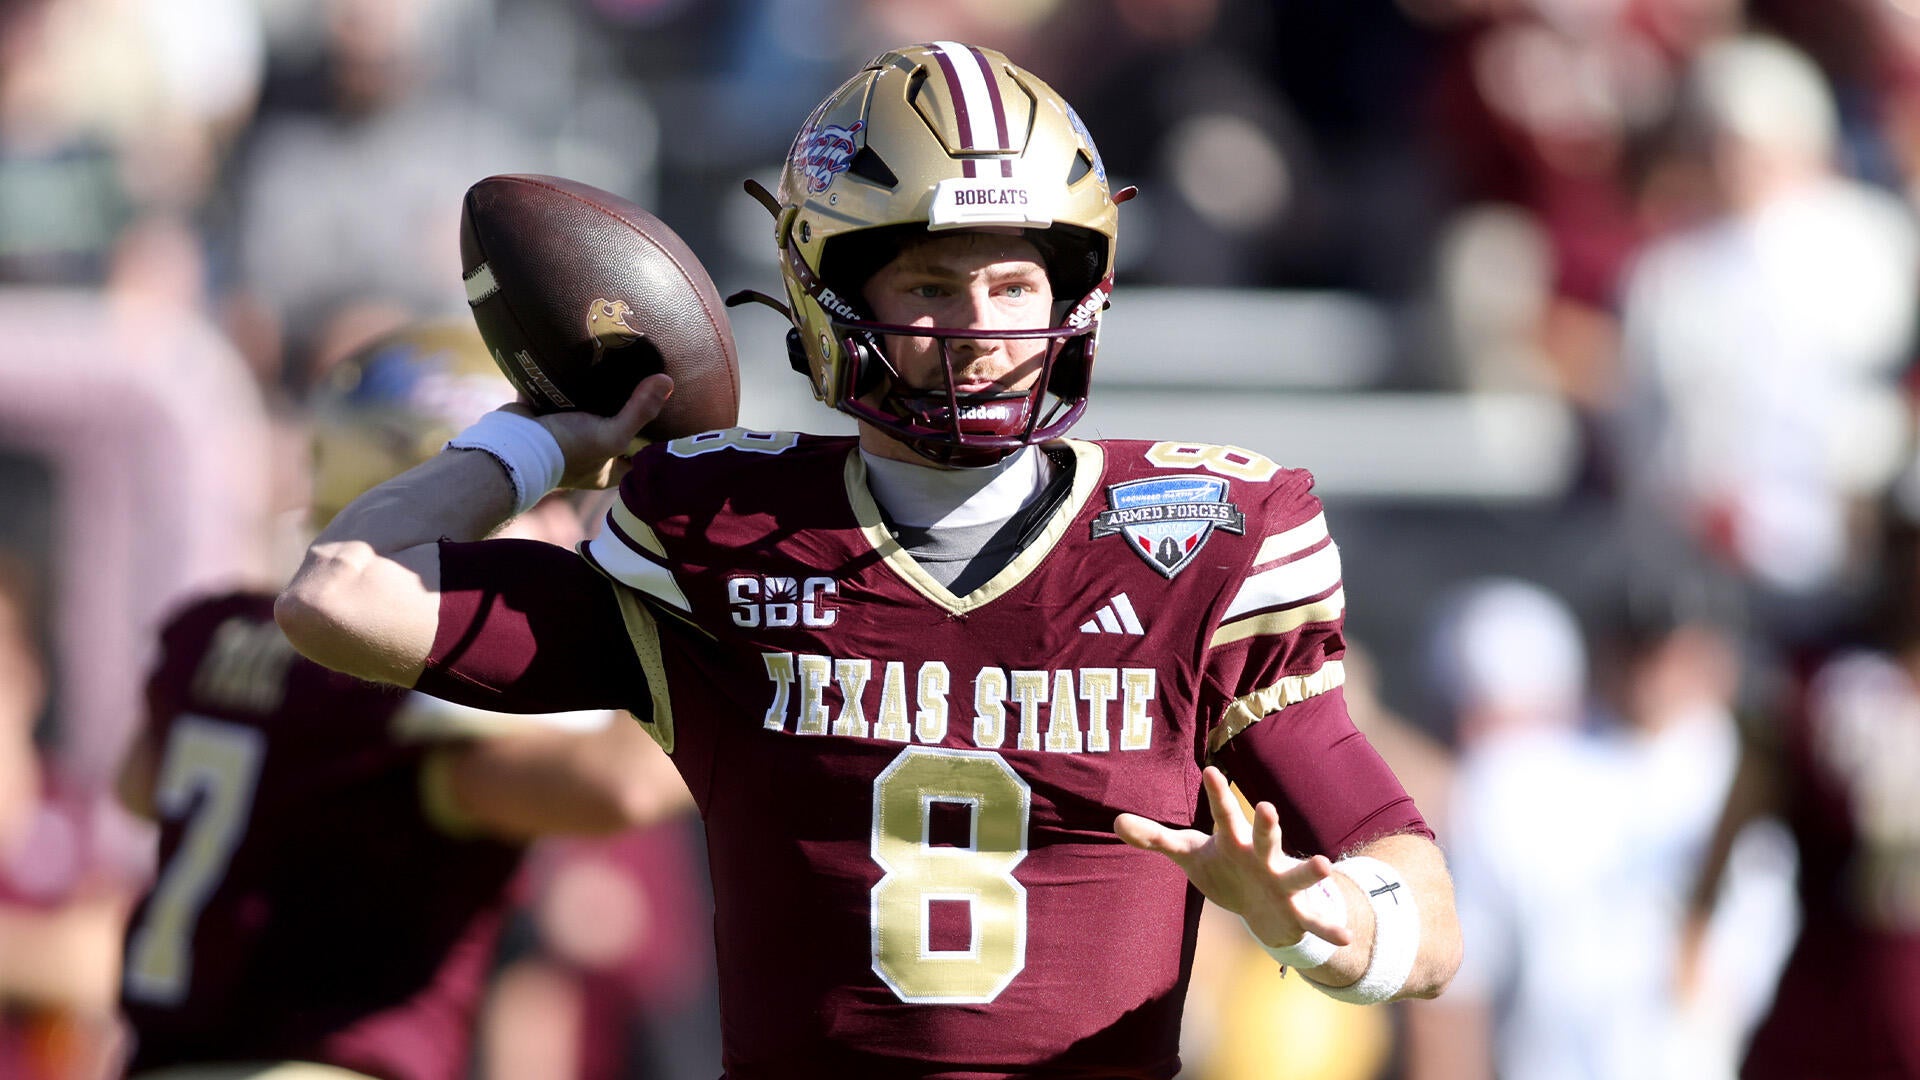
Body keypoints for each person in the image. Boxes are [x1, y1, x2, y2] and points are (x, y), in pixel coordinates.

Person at [276, 43, 1461, 1078]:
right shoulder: (720, 531)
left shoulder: (1197, 540)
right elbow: (342, 595)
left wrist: (1318, 924)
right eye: (933, 285)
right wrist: (541, 440)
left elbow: (1429, 921)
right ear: (830, 290)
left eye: (1015, 282)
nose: (982, 328)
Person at [115, 322, 689, 1080]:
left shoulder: (211, 629)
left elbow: (139, 787)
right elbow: (614, 787)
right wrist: (751, 654)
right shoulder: (389, 677)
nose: (562, 530)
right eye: (535, 496)